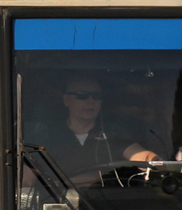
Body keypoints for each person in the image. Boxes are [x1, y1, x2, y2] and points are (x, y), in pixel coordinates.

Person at [28, 74, 158, 183]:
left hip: (104, 207)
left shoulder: (113, 132)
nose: (91, 101)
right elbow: (28, 177)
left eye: (96, 96)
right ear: (67, 100)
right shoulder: (47, 135)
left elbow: (140, 155)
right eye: (82, 95)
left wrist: (157, 162)